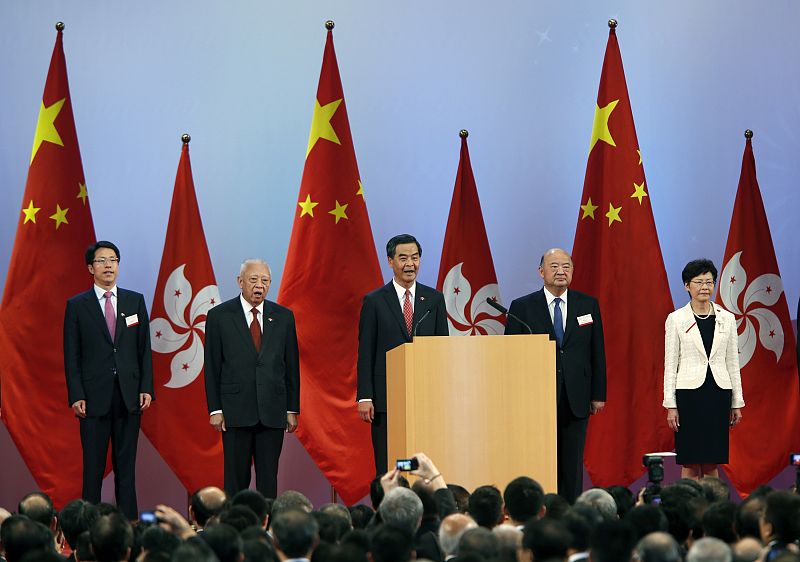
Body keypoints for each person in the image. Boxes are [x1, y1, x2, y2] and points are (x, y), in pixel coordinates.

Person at [505, 248, 606, 503]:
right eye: (554, 266)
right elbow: (510, 356)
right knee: (538, 458)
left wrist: (598, 394)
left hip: (576, 395)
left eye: (566, 266)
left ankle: (570, 511)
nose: (561, 271)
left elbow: (597, 352)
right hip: (536, 397)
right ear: (541, 272)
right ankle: (538, 509)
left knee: (572, 463)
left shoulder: (587, 304)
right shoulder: (522, 307)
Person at [63, 240, 154, 519]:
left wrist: (146, 388)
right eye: (102, 261)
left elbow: (143, 349)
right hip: (93, 398)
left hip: (128, 396)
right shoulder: (78, 305)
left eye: (113, 260)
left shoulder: (134, 300)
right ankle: (87, 527)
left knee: (126, 468)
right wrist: (77, 394)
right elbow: (72, 354)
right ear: (91, 268)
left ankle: (128, 526)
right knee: (93, 468)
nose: (108, 266)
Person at [204, 258, 300, 498]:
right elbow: (212, 367)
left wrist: (291, 408)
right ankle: (236, 528)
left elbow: (291, 367)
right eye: (254, 279)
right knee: (236, 480)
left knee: (268, 479)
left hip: (272, 410)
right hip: (235, 411)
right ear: (240, 282)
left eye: (265, 280)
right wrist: (215, 409)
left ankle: (266, 528)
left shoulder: (283, 317)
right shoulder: (219, 316)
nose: (260, 285)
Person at [357, 234, 449, 474]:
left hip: (425, 397)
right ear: (390, 261)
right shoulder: (375, 301)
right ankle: (389, 507)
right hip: (386, 398)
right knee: (390, 464)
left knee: (421, 465)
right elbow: (366, 351)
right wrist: (365, 396)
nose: (410, 264)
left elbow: (442, 348)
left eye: (415, 258)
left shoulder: (434, 299)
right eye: (404, 258)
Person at [663, 259, 744, 480]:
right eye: (699, 282)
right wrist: (671, 405)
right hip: (688, 395)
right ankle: (687, 509)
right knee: (689, 461)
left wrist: (736, 402)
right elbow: (670, 366)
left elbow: (732, 364)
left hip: (718, 394)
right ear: (687, 286)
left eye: (709, 282)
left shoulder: (727, 318)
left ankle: (712, 512)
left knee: (711, 462)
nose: (705, 287)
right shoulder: (676, 319)